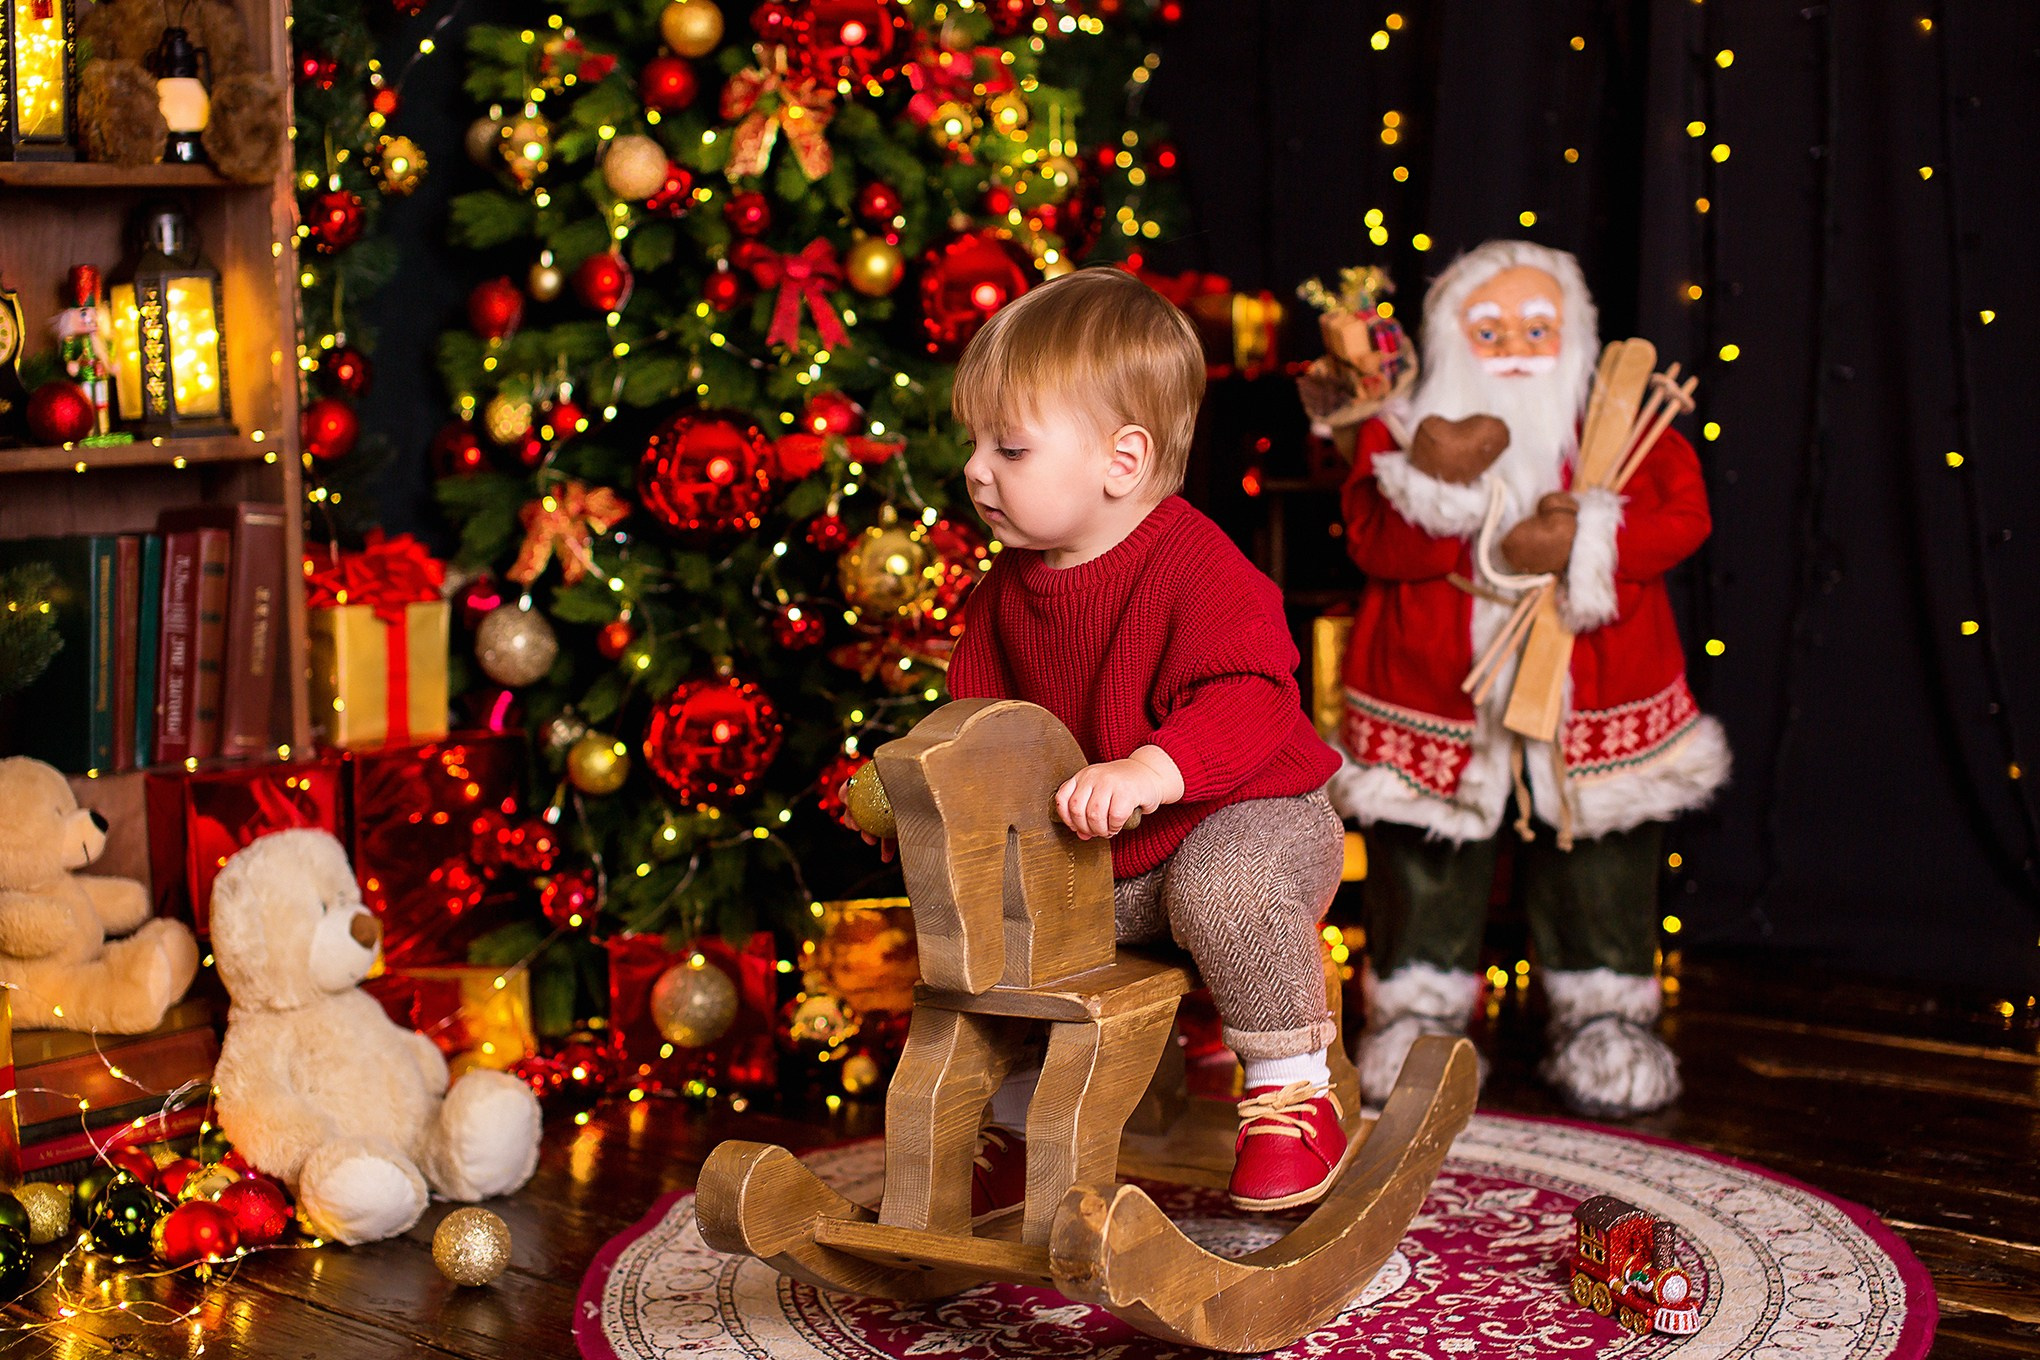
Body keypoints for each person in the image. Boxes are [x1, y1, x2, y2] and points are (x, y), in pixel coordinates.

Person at [941, 267, 1349, 1212]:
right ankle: (1016, 1112)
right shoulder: (1002, 598)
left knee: (1226, 884)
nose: (975, 470)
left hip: (1254, 810)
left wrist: (1154, 766)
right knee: (1006, 903)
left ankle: (1292, 1089)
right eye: (974, 444)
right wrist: (935, 804)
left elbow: (1254, 696)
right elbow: (981, 734)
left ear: (1121, 462)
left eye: (1009, 447)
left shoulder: (1195, 563)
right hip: (1112, 854)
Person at [1331, 240, 1729, 1118]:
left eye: (1537, 327)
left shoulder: (1622, 426)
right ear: (1450, 336)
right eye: (1489, 327)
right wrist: (1438, 493)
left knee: (1597, 845)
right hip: (1433, 684)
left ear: (1574, 337)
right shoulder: (1400, 427)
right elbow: (1372, 545)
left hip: (1599, 680)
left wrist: (1589, 538)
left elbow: (1685, 516)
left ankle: (1605, 1014)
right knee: (1426, 850)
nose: (1513, 343)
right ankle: (1416, 1011)